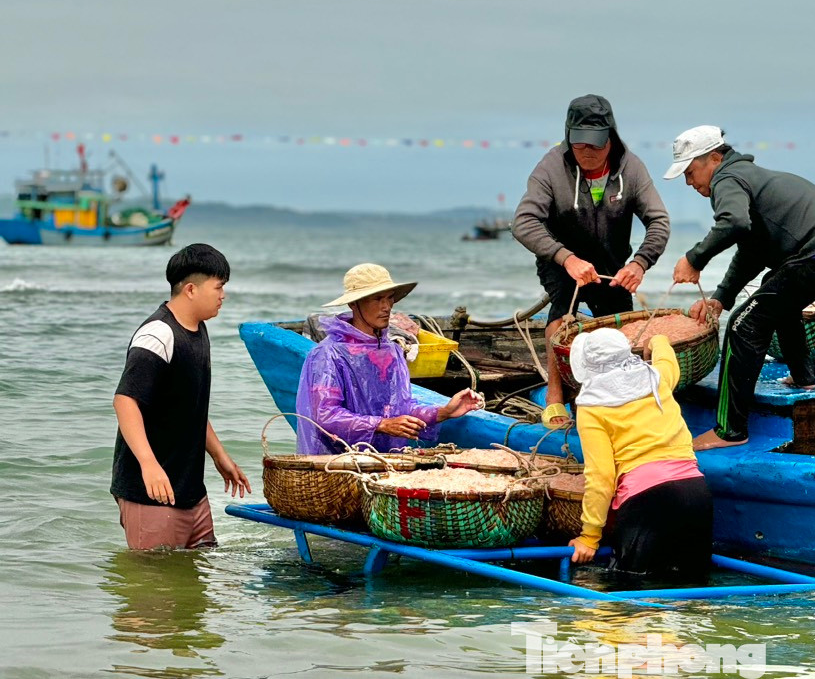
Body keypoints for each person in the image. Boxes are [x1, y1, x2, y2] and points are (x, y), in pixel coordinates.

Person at [664, 125, 815, 450]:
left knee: (744, 326)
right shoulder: (746, 176)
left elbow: (733, 223)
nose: (689, 182)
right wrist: (721, 297)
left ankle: (730, 430)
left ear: (714, 158)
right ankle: (804, 378)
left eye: (690, 171)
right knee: (777, 298)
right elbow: (752, 249)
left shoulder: (727, 179)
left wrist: (694, 259)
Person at [513, 94, 670, 429]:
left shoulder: (632, 168)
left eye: (595, 144)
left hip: (613, 265)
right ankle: (556, 398)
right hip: (561, 260)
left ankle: (621, 400)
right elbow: (524, 221)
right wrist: (565, 258)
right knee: (562, 318)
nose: (586, 151)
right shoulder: (551, 166)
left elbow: (659, 221)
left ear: (610, 137)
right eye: (578, 142)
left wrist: (640, 263)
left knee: (620, 329)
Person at [111, 243, 251, 550]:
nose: (223, 295)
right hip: (152, 493)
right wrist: (149, 463)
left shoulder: (198, 330)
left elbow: (190, 407)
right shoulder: (158, 334)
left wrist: (219, 455)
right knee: (154, 589)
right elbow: (125, 400)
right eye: (218, 287)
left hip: (191, 492)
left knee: (195, 586)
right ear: (190, 289)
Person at [566, 328, 712, 579]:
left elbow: (601, 477)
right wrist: (657, 340)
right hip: (696, 495)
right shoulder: (658, 378)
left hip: (646, 503)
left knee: (628, 598)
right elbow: (668, 359)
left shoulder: (591, 409)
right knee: (691, 593)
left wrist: (589, 537)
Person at [295, 263, 483, 453]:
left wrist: (443, 412)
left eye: (389, 298)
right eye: (377, 299)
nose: (386, 307)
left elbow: (399, 408)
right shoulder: (329, 354)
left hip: (386, 460)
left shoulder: (391, 350)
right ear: (354, 303)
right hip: (337, 462)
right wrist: (382, 424)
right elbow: (326, 415)